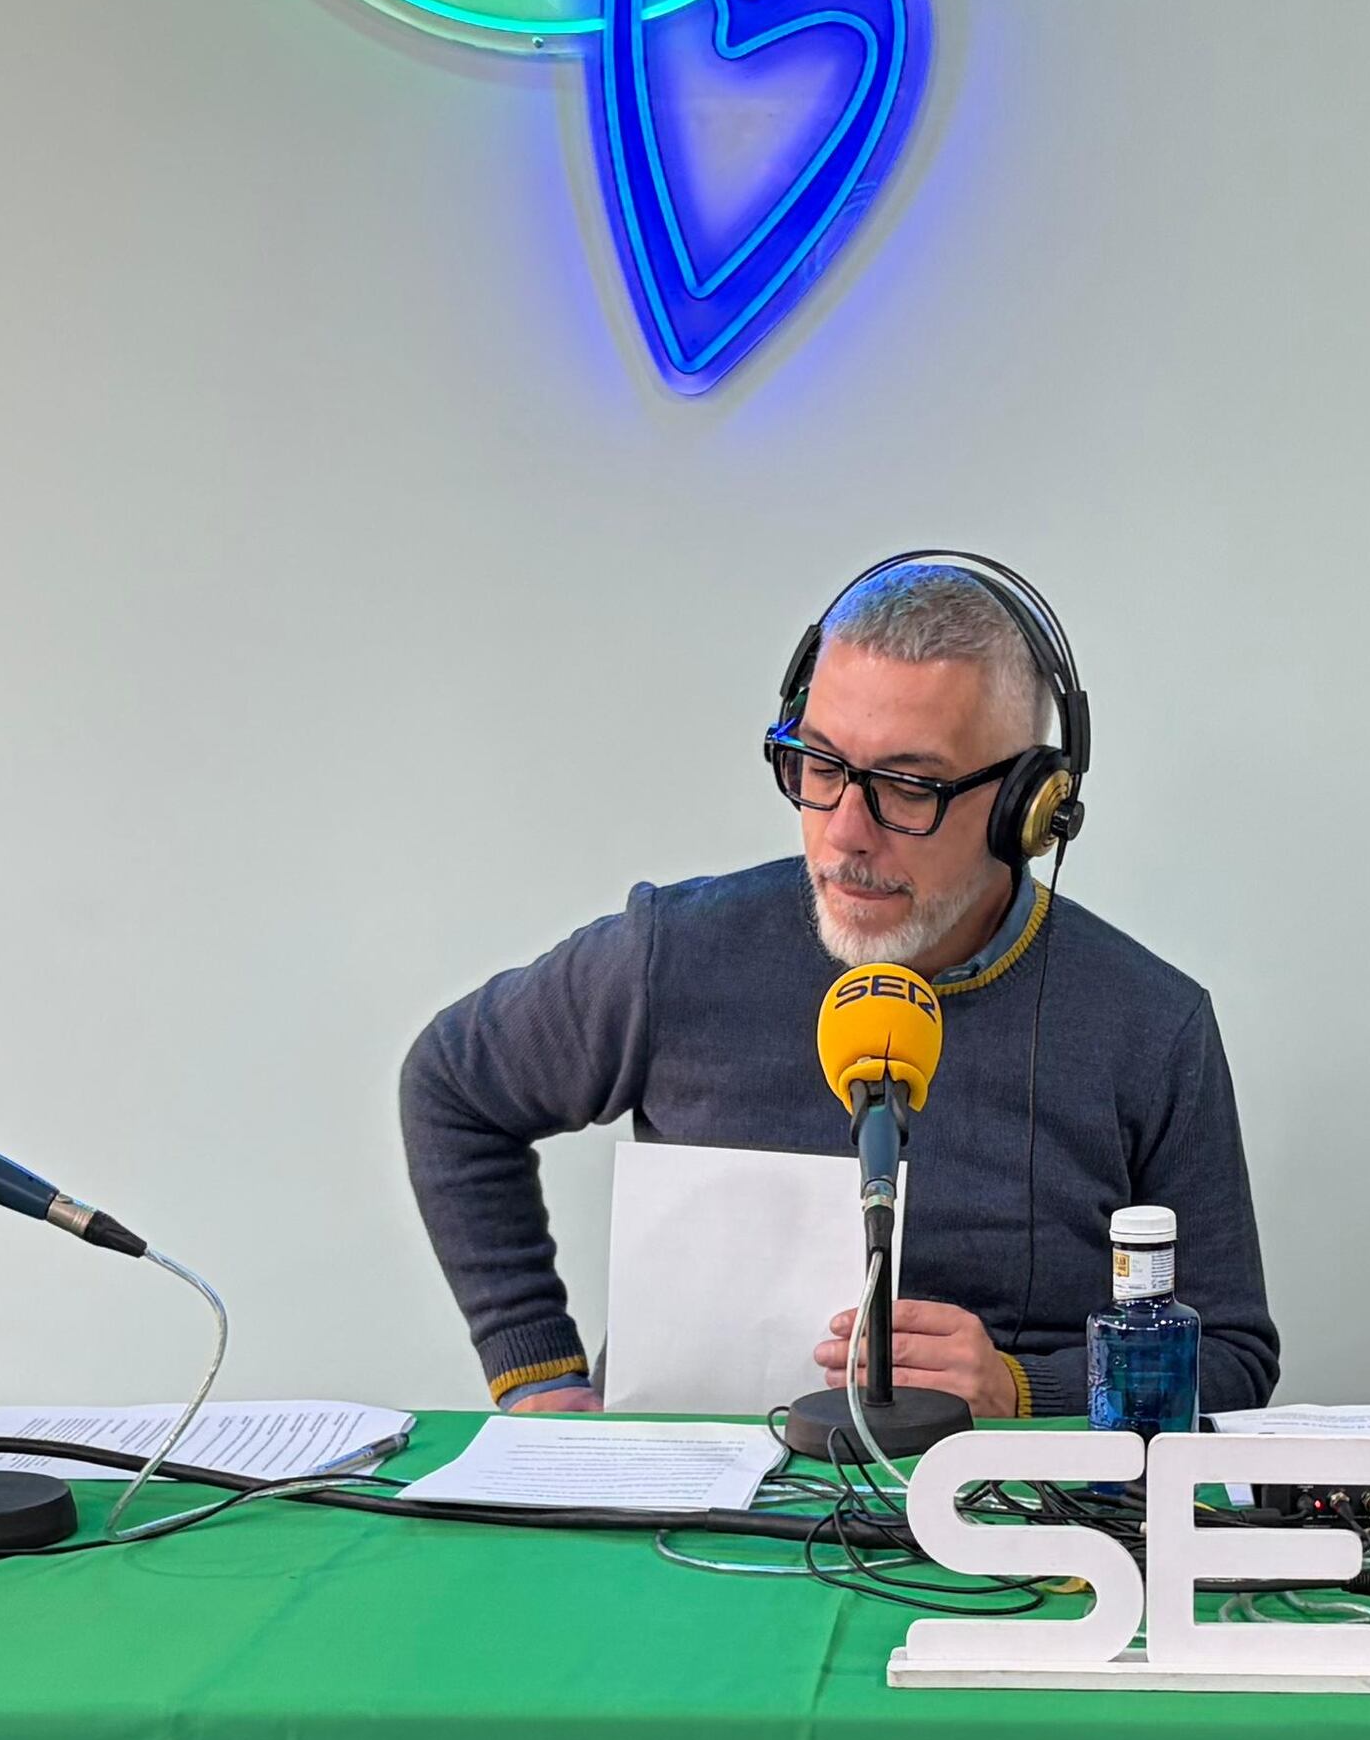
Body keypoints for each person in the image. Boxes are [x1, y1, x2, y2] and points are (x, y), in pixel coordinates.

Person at [401, 552, 1278, 1417]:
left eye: (907, 784)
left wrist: (1023, 1391)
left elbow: (1233, 1358)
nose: (846, 833)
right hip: (687, 1524)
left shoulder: (1150, 1025)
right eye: (819, 767)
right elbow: (450, 1086)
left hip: (1005, 1530)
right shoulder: (676, 955)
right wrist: (538, 1375)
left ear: (1027, 806)